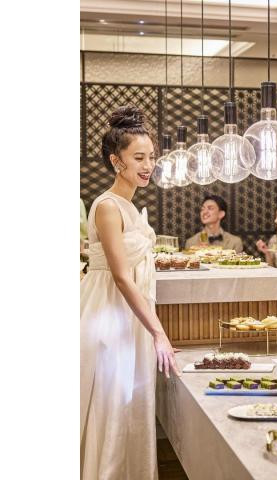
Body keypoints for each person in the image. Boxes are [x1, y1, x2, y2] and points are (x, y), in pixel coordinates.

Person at [80, 106, 180, 479]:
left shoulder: (130, 206)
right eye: (139, 158)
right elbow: (121, 278)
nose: (148, 165)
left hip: (130, 315)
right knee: (111, 408)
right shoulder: (108, 206)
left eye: (151, 156)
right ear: (115, 160)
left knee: (128, 407)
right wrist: (159, 332)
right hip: (109, 313)